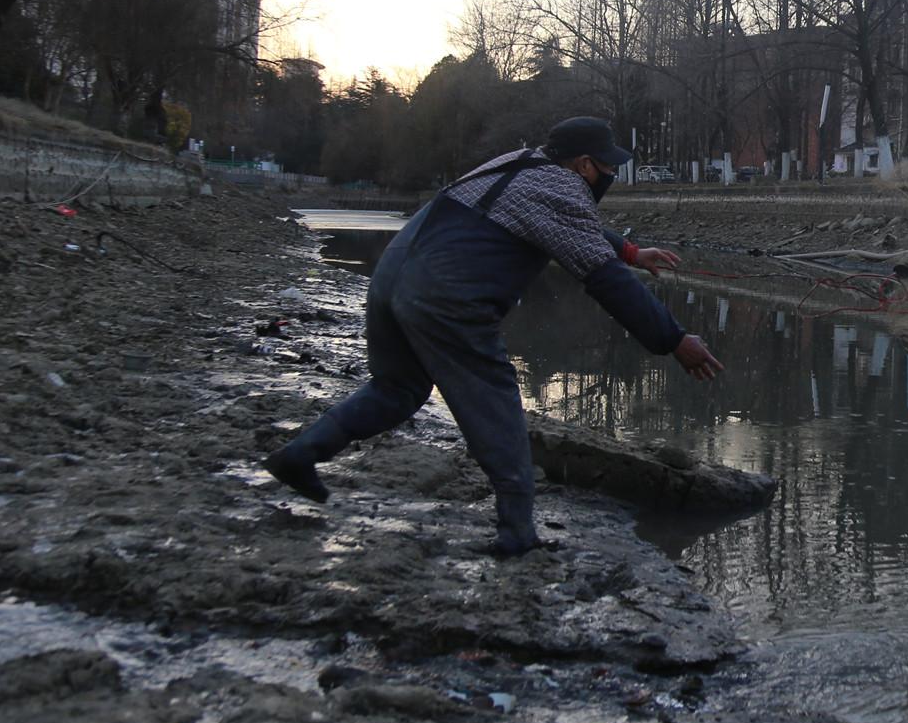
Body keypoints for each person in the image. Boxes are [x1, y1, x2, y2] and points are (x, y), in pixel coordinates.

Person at [264, 116, 722, 555]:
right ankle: (518, 533)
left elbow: (575, 225)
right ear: (584, 165)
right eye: (607, 167)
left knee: (397, 389)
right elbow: (607, 284)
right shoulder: (561, 188)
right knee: (497, 405)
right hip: (447, 296)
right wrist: (674, 340)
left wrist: (629, 250)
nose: (609, 175)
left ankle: (300, 455)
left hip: (392, 276)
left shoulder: (516, 164)